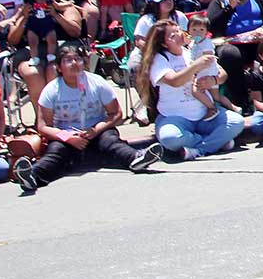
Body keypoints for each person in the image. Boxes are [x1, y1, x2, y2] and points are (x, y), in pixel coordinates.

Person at [11, 42, 161, 192]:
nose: (74, 63)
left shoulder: (97, 83)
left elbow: (116, 114)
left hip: (97, 130)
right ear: (58, 67)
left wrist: (96, 130)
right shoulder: (51, 90)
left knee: (111, 141)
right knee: (55, 152)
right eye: (68, 60)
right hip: (66, 135)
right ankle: (32, 176)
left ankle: (136, 158)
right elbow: (43, 126)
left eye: (78, 59)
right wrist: (67, 137)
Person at [137, 19, 245, 161]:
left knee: (237, 122)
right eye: (172, 35)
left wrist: (213, 80)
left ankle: (198, 150)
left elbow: (222, 74)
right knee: (170, 138)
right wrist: (196, 66)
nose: (178, 34)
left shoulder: (193, 49)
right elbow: (174, 81)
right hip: (175, 116)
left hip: (205, 114)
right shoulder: (159, 59)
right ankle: (215, 142)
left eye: (178, 30)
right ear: (164, 43)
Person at [186, 14, 233, 120]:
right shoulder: (194, 43)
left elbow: (207, 58)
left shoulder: (206, 43)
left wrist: (195, 70)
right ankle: (233, 107)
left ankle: (211, 108)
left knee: (196, 91)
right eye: (194, 29)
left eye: (201, 30)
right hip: (202, 70)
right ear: (188, 30)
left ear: (207, 32)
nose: (197, 32)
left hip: (207, 72)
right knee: (216, 96)